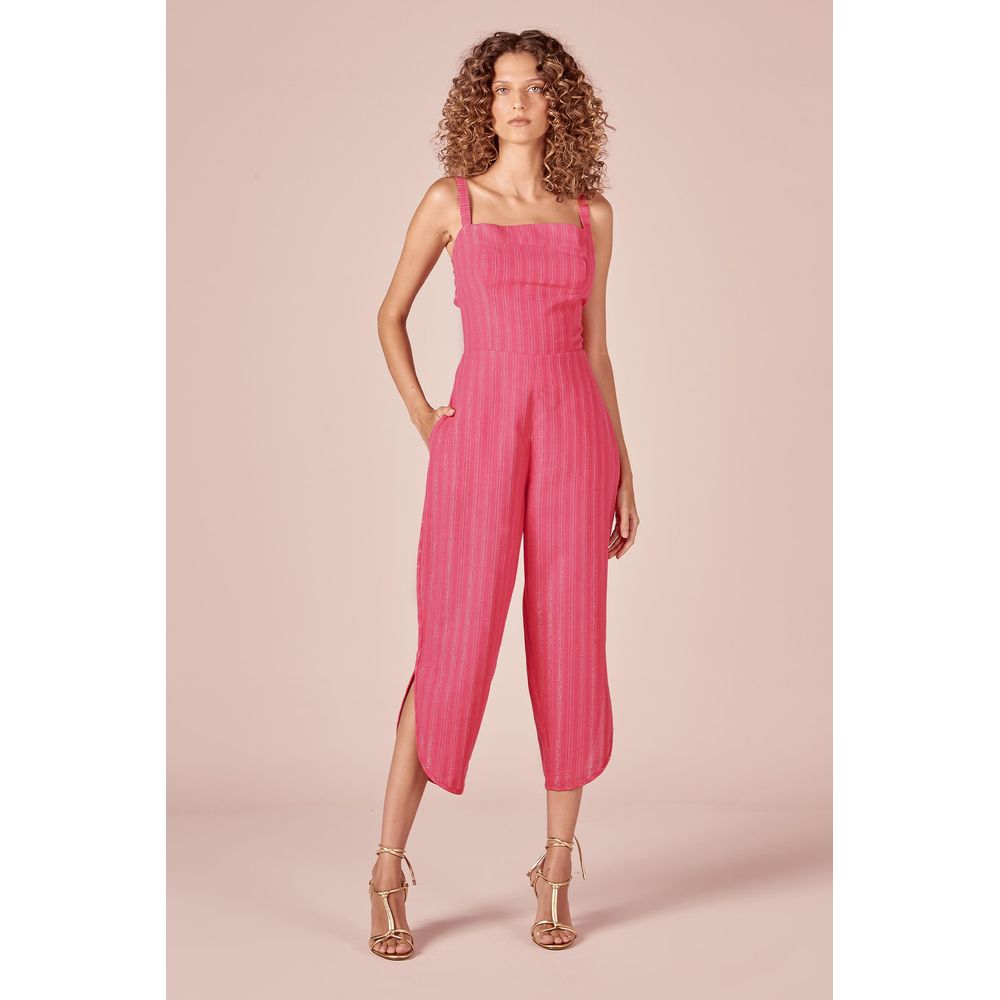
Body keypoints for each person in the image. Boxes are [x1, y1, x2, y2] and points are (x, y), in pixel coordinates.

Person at [370, 29, 638, 959]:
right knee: (452, 643)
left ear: (559, 102)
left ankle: (556, 868)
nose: (516, 103)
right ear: (482, 105)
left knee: (570, 643)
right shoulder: (453, 202)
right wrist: (425, 416)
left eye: (532, 87)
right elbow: (389, 315)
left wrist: (623, 464)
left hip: (574, 435)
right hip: (480, 434)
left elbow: (596, 349)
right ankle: (387, 867)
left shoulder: (591, 215)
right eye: (501, 88)